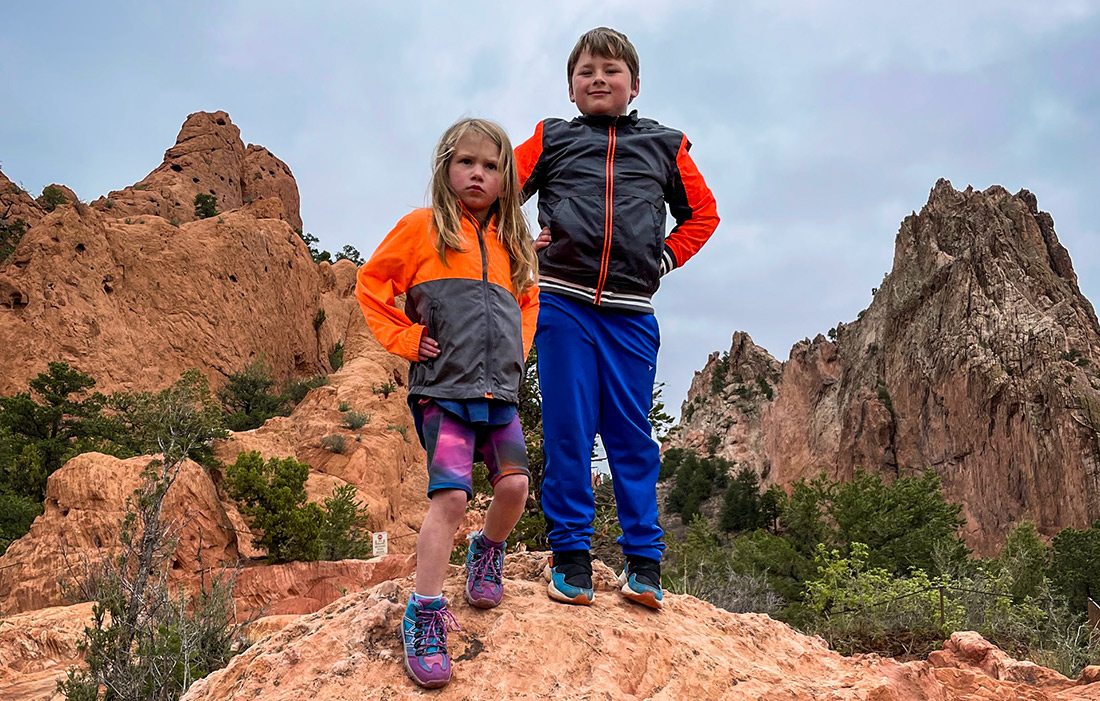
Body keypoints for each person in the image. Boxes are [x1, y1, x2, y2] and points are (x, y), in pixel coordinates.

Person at [515, 27, 719, 611]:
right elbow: (501, 193)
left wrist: (666, 254)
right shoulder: (551, 139)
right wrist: (518, 246)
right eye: (585, 72)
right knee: (569, 429)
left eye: (611, 70)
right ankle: (572, 561)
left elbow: (703, 214)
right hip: (562, 302)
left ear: (634, 85)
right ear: (571, 88)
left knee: (632, 437)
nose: (598, 79)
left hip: (631, 315)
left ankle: (645, 567)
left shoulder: (665, 145)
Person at [356, 118, 538, 688]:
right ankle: (425, 612)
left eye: (491, 166)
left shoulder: (513, 244)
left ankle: (488, 551)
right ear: (445, 169)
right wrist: (407, 340)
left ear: (506, 179)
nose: (478, 174)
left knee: (514, 487)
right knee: (452, 497)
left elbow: (529, 301)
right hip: (443, 388)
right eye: (466, 162)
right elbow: (371, 285)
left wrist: (518, 351)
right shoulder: (422, 229)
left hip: (498, 391)